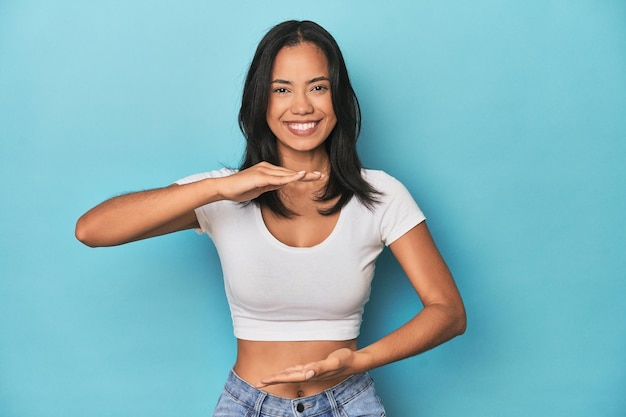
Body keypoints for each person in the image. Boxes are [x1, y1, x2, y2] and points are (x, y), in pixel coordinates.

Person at [75, 20, 466, 417]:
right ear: (261, 100)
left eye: (318, 87)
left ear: (339, 99)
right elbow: (92, 230)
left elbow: (448, 311)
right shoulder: (224, 192)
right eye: (282, 89)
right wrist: (219, 188)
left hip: (349, 402)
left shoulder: (381, 194)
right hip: (247, 405)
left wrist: (359, 361)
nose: (302, 106)